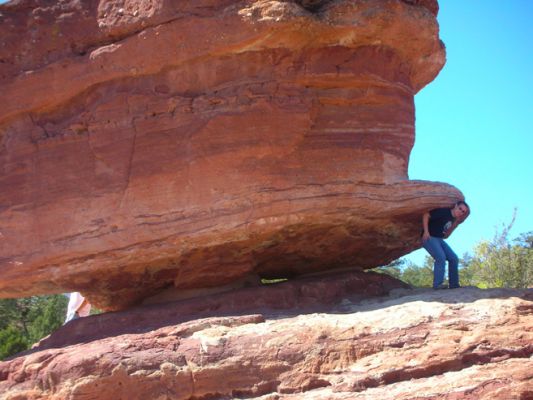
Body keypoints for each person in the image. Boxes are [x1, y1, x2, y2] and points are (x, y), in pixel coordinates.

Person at [422, 201, 470, 289]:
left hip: (439, 239)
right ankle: (437, 285)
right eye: (460, 208)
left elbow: (446, 236)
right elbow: (426, 215)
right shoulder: (444, 211)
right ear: (455, 206)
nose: (461, 212)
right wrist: (426, 232)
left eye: (463, 211)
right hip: (429, 237)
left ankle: (454, 284)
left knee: (453, 258)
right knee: (441, 257)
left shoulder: (453, 219)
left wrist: (455, 225)